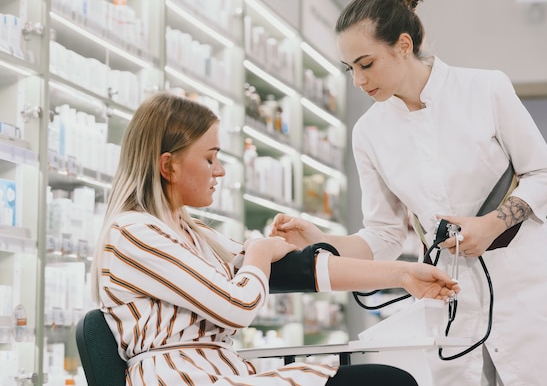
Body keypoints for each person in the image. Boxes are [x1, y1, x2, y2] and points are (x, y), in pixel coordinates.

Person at [271, 0, 547, 385]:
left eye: (366, 64)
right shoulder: (369, 132)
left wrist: (492, 224)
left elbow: (543, 172)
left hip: (526, 287)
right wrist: (319, 240)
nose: (358, 81)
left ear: (404, 46)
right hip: (452, 297)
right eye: (350, 68)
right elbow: (382, 234)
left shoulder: (485, 89)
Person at [90, 91, 460, 386]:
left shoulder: (193, 233)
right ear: (168, 165)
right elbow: (235, 307)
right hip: (183, 378)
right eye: (210, 158)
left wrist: (402, 276)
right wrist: (260, 253)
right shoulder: (132, 233)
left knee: (386, 379)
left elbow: (296, 270)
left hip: (222, 372)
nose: (219, 171)